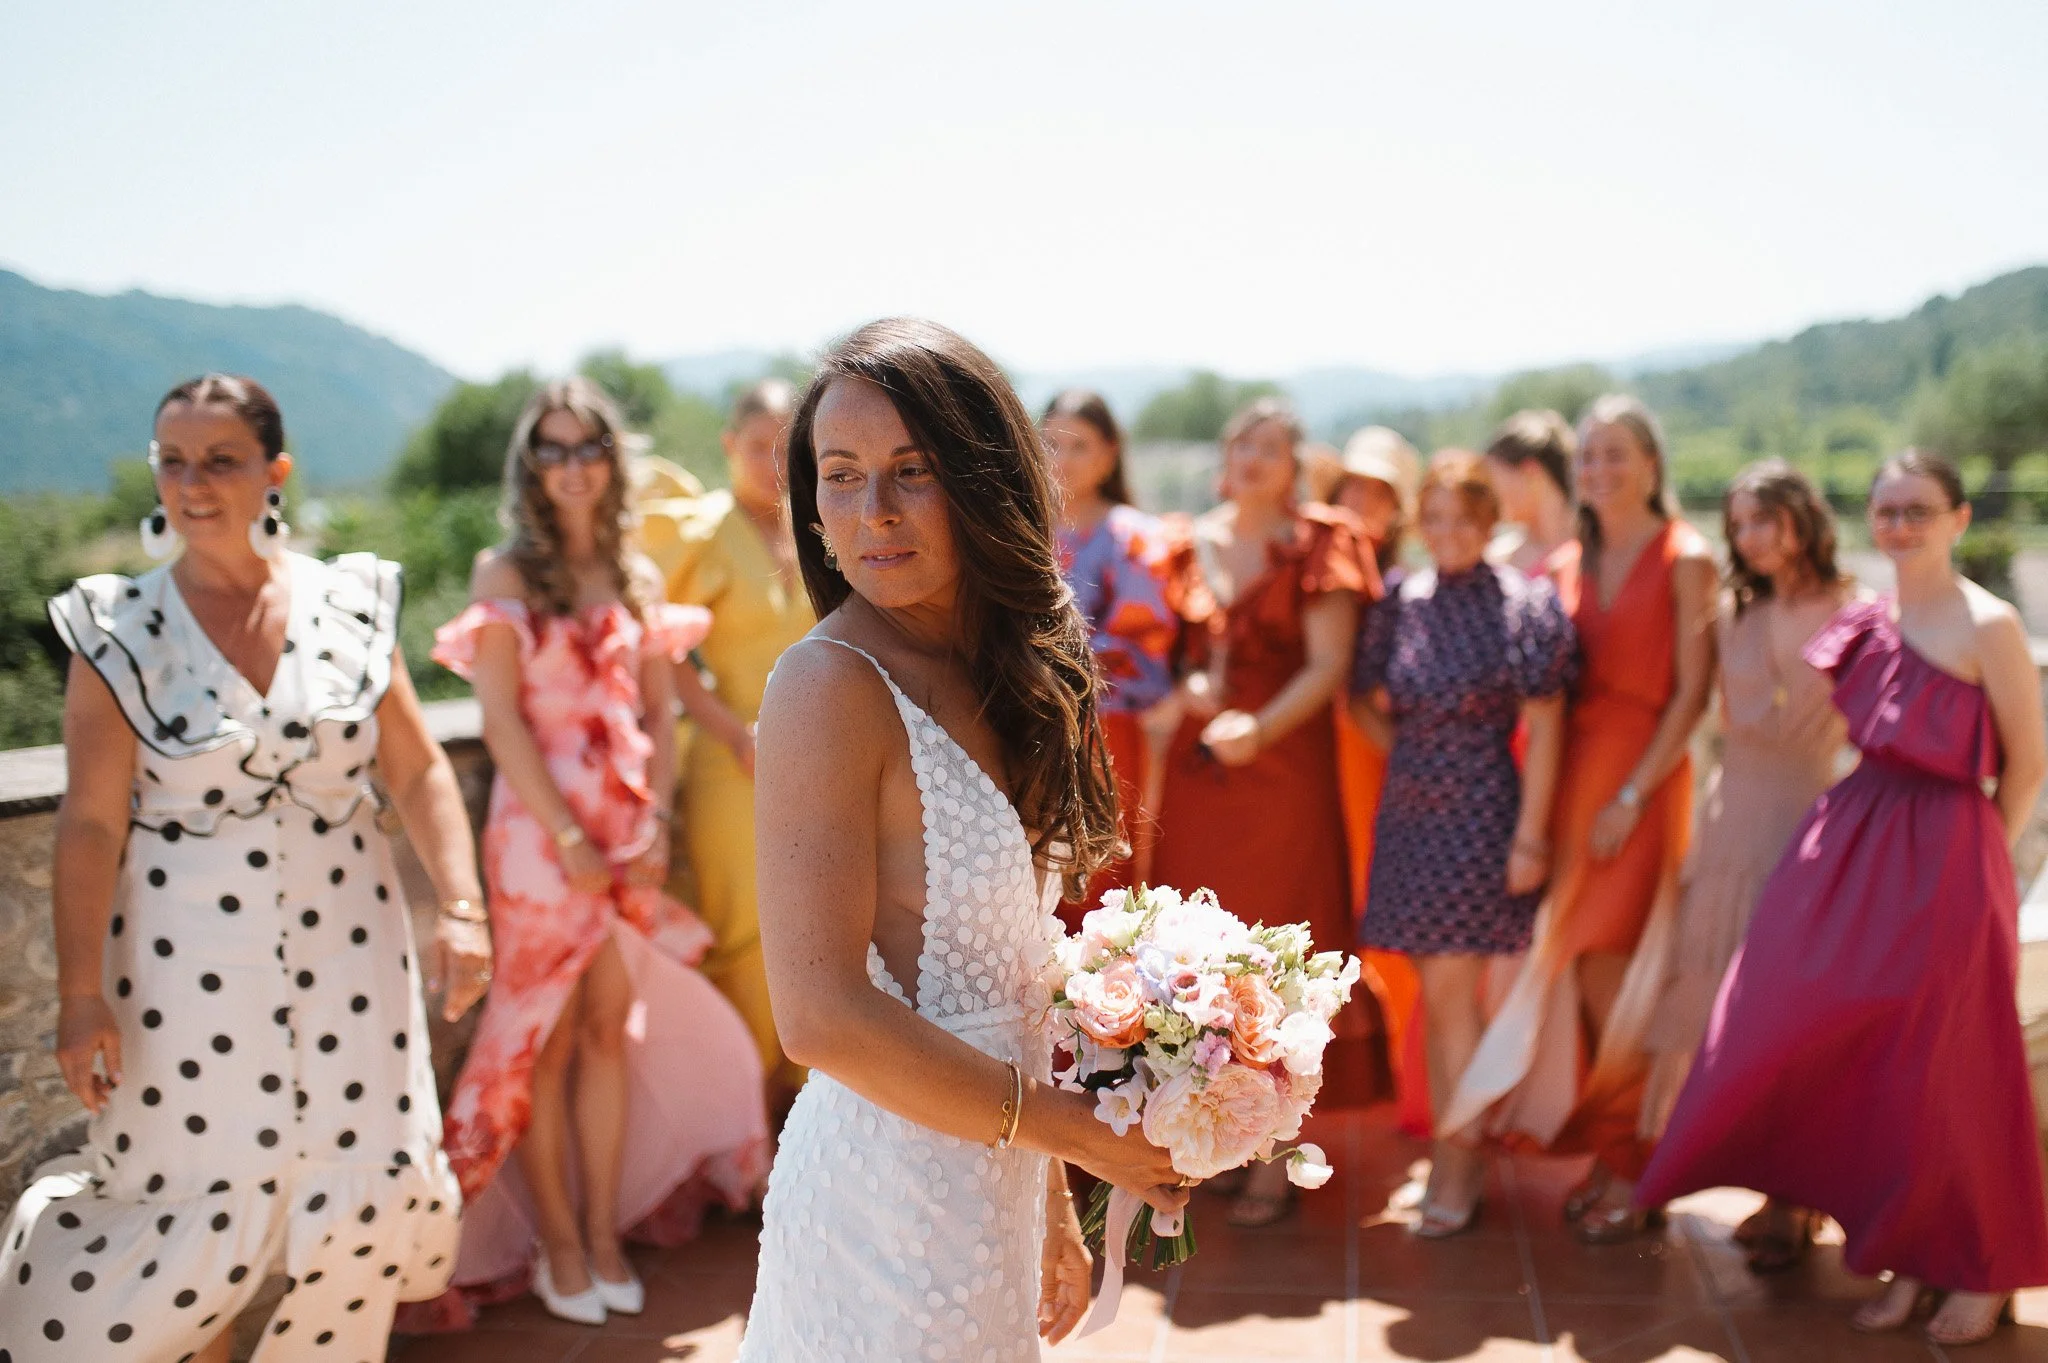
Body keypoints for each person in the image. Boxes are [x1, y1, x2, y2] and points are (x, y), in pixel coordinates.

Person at [0, 374, 489, 1362]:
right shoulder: (118, 626)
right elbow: (91, 822)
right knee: (194, 1181)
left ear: (274, 471)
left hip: (355, 944)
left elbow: (417, 764)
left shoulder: (351, 600)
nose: (191, 483)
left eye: (218, 460)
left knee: (363, 1179)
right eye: (171, 461)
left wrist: (464, 909)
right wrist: (82, 993)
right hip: (185, 962)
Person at [739, 318, 1187, 1359]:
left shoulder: (1013, 666)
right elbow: (818, 1017)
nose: (873, 512)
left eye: (913, 471)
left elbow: (1014, 981)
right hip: (878, 1203)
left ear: (985, 483)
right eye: (839, 476)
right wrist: (1069, 1130)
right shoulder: (826, 686)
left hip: (995, 1179)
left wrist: (1050, 1195)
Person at [1638, 451, 2048, 1348]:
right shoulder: (1873, 615)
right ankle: (1903, 1253)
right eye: (1888, 510)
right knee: (1857, 1047)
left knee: (1955, 1063)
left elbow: (2029, 762)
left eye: (1920, 509)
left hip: (1945, 848)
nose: (1901, 525)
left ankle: (1977, 1271)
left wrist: (1980, 855)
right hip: (1853, 840)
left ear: (1959, 517)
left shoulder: (1992, 622)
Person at [432, 379, 768, 1326]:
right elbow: (499, 721)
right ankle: (563, 1247)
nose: (572, 465)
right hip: (540, 842)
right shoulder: (502, 575)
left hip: (626, 839)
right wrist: (572, 837)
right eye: (553, 448)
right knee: (543, 1038)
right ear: (529, 465)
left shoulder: (636, 577)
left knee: (610, 1029)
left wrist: (652, 822)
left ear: (613, 461)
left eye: (589, 448)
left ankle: (607, 1236)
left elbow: (657, 712)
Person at [1441, 394, 1716, 1242]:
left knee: (1616, 975)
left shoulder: (1687, 555)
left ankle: (1635, 1165)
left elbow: (1692, 694)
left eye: (1616, 454)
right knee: (1575, 973)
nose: (1599, 469)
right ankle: (1615, 1152)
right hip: (1563, 778)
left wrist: (1633, 795)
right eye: (1588, 455)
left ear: (1653, 463)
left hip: (1638, 777)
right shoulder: (1565, 559)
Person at [1150, 397, 1376, 1226]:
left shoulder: (1322, 542)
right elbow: (1164, 657)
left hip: (1283, 767)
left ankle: (1277, 1152)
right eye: (1242, 439)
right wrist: (1192, 691)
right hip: (1203, 773)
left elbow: (1329, 664)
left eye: (1272, 444)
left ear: (1297, 462)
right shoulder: (1184, 542)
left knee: (1279, 951)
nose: (1253, 454)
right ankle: (1202, 1138)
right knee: (1196, 955)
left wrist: (1261, 725)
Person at [1636, 461, 1857, 1272]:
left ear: (1804, 516)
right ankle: (1663, 1169)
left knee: (1788, 1013)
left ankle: (1788, 1197)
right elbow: (1691, 709)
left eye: (1765, 518)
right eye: (1739, 522)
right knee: (1701, 996)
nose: (1751, 536)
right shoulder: (1728, 610)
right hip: (1731, 821)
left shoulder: (1859, 610)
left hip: (1815, 821)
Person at [1351, 453, 1575, 1238]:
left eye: (1464, 520)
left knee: (1452, 998)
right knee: (1437, 995)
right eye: (1434, 519)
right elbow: (1363, 700)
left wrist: (1531, 834)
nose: (1447, 534)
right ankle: (1457, 1146)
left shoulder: (1523, 603)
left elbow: (1545, 725)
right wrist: (1413, 752)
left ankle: (1458, 1160)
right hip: (1410, 815)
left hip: (1483, 812)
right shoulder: (1401, 599)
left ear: (1490, 524)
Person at [636, 378, 815, 1107]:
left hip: (821, 754)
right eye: (756, 445)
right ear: (727, 446)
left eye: (786, 447)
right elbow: (656, 645)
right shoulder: (704, 531)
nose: (772, 462)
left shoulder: (820, 522)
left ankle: (812, 1106)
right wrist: (727, 729)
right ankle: (747, 1117)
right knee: (745, 928)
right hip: (731, 757)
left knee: (817, 922)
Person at [1307, 427, 1429, 1134]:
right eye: (1353, 485)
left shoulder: (1403, 587)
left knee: (1386, 913)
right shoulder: (1316, 559)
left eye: (1379, 492)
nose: (1363, 502)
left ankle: (1406, 1081)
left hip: (1378, 764)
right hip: (1317, 759)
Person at [1042, 389, 1178, 919]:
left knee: (1098, 881)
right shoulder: (1019, 530)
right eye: (1050, 444)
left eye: (1079, 445)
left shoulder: (1135, 537)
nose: (1063, 459)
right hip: (1018, 726)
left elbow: (1141, 654)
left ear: (1111, 451)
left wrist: (1035, 665)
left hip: (1104, 733)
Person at [1483, 409, 1581, 606]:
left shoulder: (1596, 549)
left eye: (1493, 479)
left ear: (1530, 472)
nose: (1489, 495)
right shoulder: (1495, 559)